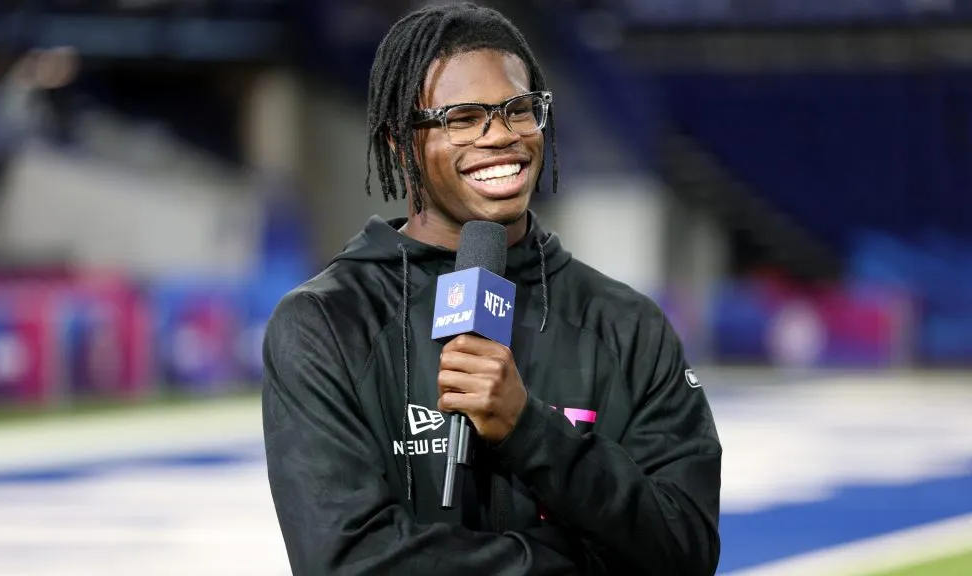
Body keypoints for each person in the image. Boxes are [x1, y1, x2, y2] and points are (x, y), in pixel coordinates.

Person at [261, 3, 722, 574]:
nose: (501, 135)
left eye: (518, 110)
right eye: (461, 117)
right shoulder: (325, 323)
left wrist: (529, 430)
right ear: (399, 142)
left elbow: (687, 548)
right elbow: (350, 560)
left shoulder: (627, 324)